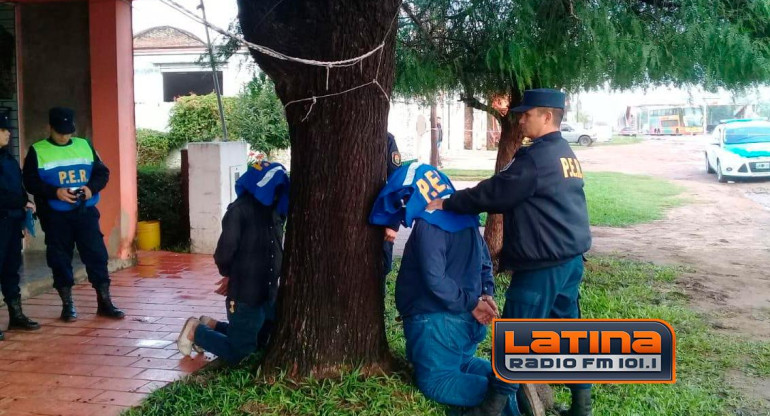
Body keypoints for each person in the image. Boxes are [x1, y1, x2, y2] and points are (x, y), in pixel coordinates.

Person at [427, 89, 593, 416]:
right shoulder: (565, 153)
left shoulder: (536, 159)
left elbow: (495, 194)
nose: (520, 119)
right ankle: (581, 408)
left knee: (516, 338)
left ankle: (491, 408)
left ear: (546, 117)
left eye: (526, 114)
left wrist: (447, 203)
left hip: (543, 267)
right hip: (570, 262)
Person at [370, 163, 518, 415]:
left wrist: (473, 303)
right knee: (465, 363)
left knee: (436, 382)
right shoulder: (467, 216)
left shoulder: (430, 223)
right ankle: (511, 389)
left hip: (437, 320)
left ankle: (501, 398)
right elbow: (484, 263)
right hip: (464, 320)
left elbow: (434, 278)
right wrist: (485, 294)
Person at [177, 161, 289, 365]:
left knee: (263, 339)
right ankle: (196, 331)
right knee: (241, 352)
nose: (277, 193)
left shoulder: (275, 211)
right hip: (246, 293)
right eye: (275, 188)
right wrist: (231, 275)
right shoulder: (239, 211)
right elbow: (224, 252)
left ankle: (210, 324)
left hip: (268, 292)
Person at [22, 107, 123, 322]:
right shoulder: (37, 150)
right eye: (60, 132)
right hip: (56, 216)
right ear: (49, 128)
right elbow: (30, 182)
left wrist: (90, 189)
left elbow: (102, 173)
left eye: (68, 131)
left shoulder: (84, 145)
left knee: (97, 255)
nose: (65, 136)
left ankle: (104, 302)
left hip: (85, 212)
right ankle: (67, 305)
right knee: (59, 259)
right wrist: (54, 192)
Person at [0, 111, 40, 339]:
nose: (8, 133)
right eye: (3, 129)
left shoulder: (8, 158)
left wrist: (26, 203)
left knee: (10, 271)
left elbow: (18, 187)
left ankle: (16, 315)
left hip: (12, 222)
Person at [382, 132, 401, 291]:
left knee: (379, 268)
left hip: (380, 218)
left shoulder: (385, 139)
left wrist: (393, 224)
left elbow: (397, 180)